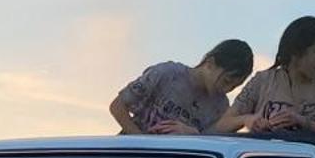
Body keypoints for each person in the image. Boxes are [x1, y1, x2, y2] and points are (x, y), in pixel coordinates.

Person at [218, 16, 315, 137]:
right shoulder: (262, 81)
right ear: (296, 51)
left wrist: (303, 123)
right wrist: (248, 120)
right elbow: (222, 126)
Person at [109, 39, 255, 136]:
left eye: (234, 86)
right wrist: (141, 141)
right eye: (226, 81)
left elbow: (210, 145)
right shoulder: (167, 74)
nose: (227, 89)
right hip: (129, 155)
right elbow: (117, 106)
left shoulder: (220, 107)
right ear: (210, 63)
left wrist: (192, 134)